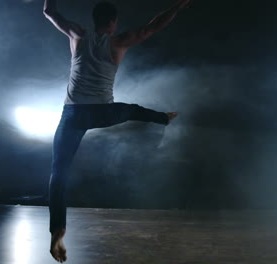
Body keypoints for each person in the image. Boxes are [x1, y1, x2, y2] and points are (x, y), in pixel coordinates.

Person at [43, 0, 193, 262]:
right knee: (132, 109)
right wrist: (178, 6)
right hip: (102, 112)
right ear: (112, 23)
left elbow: (48, 11)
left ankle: (57, 231)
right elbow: (153, 26)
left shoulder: (77, 35)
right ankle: (164, 119)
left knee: (58, 174)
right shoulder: (118, 42)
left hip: (73, 114)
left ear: (94, 20)